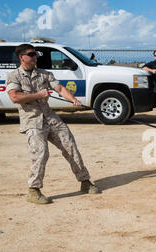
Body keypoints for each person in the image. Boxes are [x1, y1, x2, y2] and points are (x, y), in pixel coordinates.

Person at [6, 44, 100, 204]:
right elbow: (14, 97)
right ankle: (33, 190)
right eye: (31, 54)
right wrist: (38, 94)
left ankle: (84, 182)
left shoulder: (44, 74)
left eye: (36, 54)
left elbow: (59, 88)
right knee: (41, 152)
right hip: (32, 120)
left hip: (50, 117)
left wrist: (73, 100)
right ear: (22, 57)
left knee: (70, 147)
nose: (35, 57)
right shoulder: (14, 76)